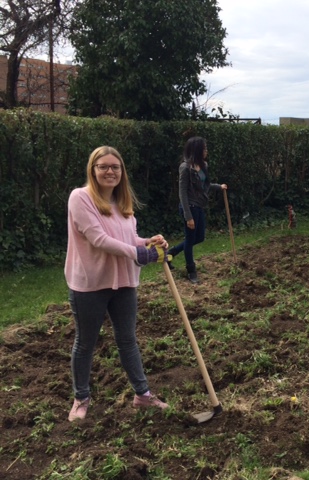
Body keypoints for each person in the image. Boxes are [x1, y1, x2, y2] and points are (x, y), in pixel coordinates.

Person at [65, 146, 170, 422]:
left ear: (122, 172)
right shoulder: (80, 198)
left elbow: (129, 239)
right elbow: (99, 239)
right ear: (93, 169)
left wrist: (148, 242)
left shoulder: (124, 205)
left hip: (123, 282)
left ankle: (142, 395)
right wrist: (139, 254)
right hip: (90, 283)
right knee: (86, 343)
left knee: (127, 340)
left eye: (115, 167)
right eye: (104, 166)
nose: (110, 171)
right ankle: (81, 398)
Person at [167, 136, 227, 283]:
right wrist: (188, 217)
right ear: (197, 150)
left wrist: (219, 187)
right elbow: (182, 193)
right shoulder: (185, 168)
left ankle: (171, 252)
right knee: (190, 238)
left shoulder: (203, 166)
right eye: (204, 148)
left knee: (199, 237)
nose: (206, 151)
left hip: (199, 206)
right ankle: (191, 271)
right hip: (190, 208)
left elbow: (204, 186)